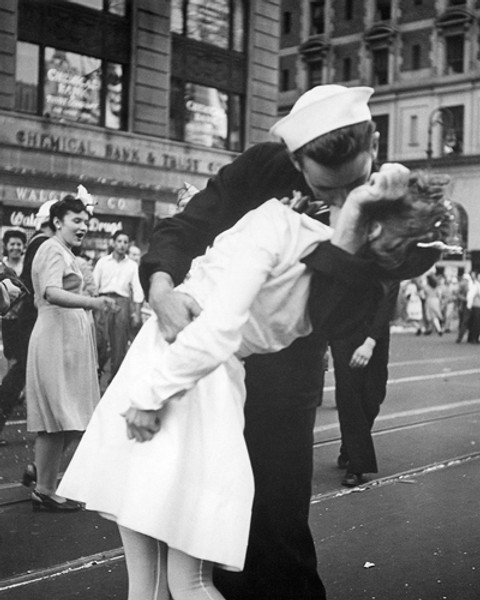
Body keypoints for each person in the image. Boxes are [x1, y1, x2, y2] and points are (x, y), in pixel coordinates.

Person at [58, 169, 454, 600]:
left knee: (170, 584)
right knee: (174, 582)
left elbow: (218, 327)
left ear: (372, 223)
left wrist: (152, 394)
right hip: (205, 384)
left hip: (178, 373)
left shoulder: (283, 228)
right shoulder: (333, 277)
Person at [132, 84, 452, 600]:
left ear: (373, 143)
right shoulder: (262, 168)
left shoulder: (388, 197)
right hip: (210, 366)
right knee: (194, 521)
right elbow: (186, 226)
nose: (339, 199)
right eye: (326, 189)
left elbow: (385, 282)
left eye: (352, 183)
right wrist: (161, 285)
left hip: (287, 375)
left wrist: (372, 216)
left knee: (275, 526)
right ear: (297, 161)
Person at [25, 195, 116, 511]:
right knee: (61, 416)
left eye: (85, 222)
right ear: (57, 222)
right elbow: (51, 291)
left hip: (67, 340)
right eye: (76, 221)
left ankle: (43, 480)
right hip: (56, 338)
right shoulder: (51, 248)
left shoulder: (63, 251)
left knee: (69, 417)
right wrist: (93, 302)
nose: (83, 227)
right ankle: (45, 487)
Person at [330, 280, 399, 487]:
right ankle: (357, 466)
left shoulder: (390, 260)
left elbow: (387, 303)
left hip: (376, 337)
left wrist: (369, 342)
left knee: (373, 396)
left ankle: (348, 447)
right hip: (344, 335)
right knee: (349, 395)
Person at [0, 203, 56, 447]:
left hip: (34, 317)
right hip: (31, 319)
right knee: (19, 372)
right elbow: (28, 286)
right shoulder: (41, 242)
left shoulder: (41, 243)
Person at [93, 231, 144, 380]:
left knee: (119, 344)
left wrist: (136, 313)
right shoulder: (103, 262)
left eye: (125, 242)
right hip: (103, 300)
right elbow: (94, 285)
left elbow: (137, 291)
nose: (122, 245)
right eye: (119, 241)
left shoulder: (132, 266)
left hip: (122, 303)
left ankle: (113, 382)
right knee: (100, 341)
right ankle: (95, 375)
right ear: (113, 243)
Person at [1, 229, 27, 370]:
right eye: (12, 244)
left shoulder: (27, 265)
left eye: (19, 244)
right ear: (6, 246)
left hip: (25, 318)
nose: (15, 247)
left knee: (25, 356)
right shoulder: (2, 266)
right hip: (8, 319)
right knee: (10, 355)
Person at [466, 272, 480, 343]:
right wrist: (469, 306)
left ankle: (474, 337)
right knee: (475, 323)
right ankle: (473, 338)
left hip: (477, 306)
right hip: (476, 306)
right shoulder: (476, 286)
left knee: (476, 323)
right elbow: (470, 296)